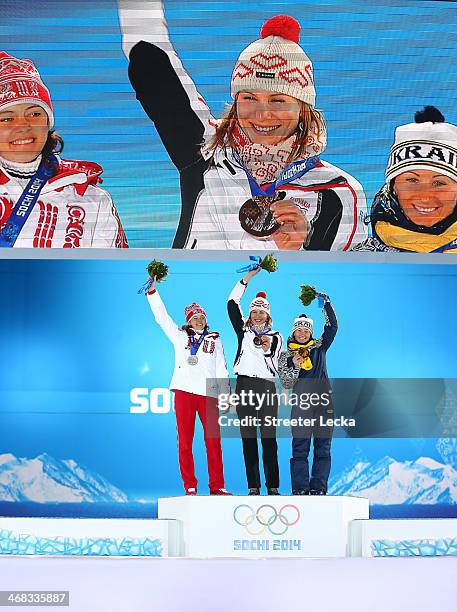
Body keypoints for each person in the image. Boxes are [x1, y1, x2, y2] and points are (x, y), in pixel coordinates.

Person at [119, 1, 367, 250]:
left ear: (303, 108)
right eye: (249, 98)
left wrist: (304, 248)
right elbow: (151, 62)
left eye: (278, 100)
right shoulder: (206, 152)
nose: (262, 114)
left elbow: (348, 279)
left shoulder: (339, 190)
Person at [0, 52, 127, 248]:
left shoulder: (90, 197)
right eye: (7, 118)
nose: (23, 126)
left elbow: (115, 272)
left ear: (47, 122)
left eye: (34, 114)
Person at [146, 277, 231, 495]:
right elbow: (162, 319)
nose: (199, 320)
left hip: (209, 395)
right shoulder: (179, 336)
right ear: (188, 320)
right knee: (185, 441)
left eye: (202, 317)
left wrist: (226, 395)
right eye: (195, 318)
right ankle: (190, 485)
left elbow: (221, 368)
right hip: (184, 392)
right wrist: (153, 294)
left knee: (214, 442)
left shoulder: (215, 340)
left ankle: (217, 485)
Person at [353, 106, 457, 253]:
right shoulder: (360, 262)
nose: (425, 196)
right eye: (412, 181)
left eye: (439, 183)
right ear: (393, 187)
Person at [227, 267, 283, 495]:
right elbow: (231, 303)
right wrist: (247, 277)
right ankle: (253, 486)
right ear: (249, 315)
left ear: (268, 316)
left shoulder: (277, 337)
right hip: (244, 386)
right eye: (254, 312)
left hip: (267, 387)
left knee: (269, 439)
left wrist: (269, 350)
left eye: (262, 313)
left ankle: (272, 487)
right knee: (248, 438)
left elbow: (279, 368)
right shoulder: (243, 331)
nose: (257, 316)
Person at [278, 293, 337, 495]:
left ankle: (318, 488)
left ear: (310, 333)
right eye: (299, 330)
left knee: (323, 448)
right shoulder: (286, 355)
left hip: (323, 403)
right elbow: (286, 382)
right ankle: (300, 488)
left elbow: (332, 328)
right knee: (300, 448)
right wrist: (294, 365)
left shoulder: (319, 348)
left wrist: (326, 306)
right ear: (293, 333)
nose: (302, 333)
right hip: (301, 405)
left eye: (306, 330)